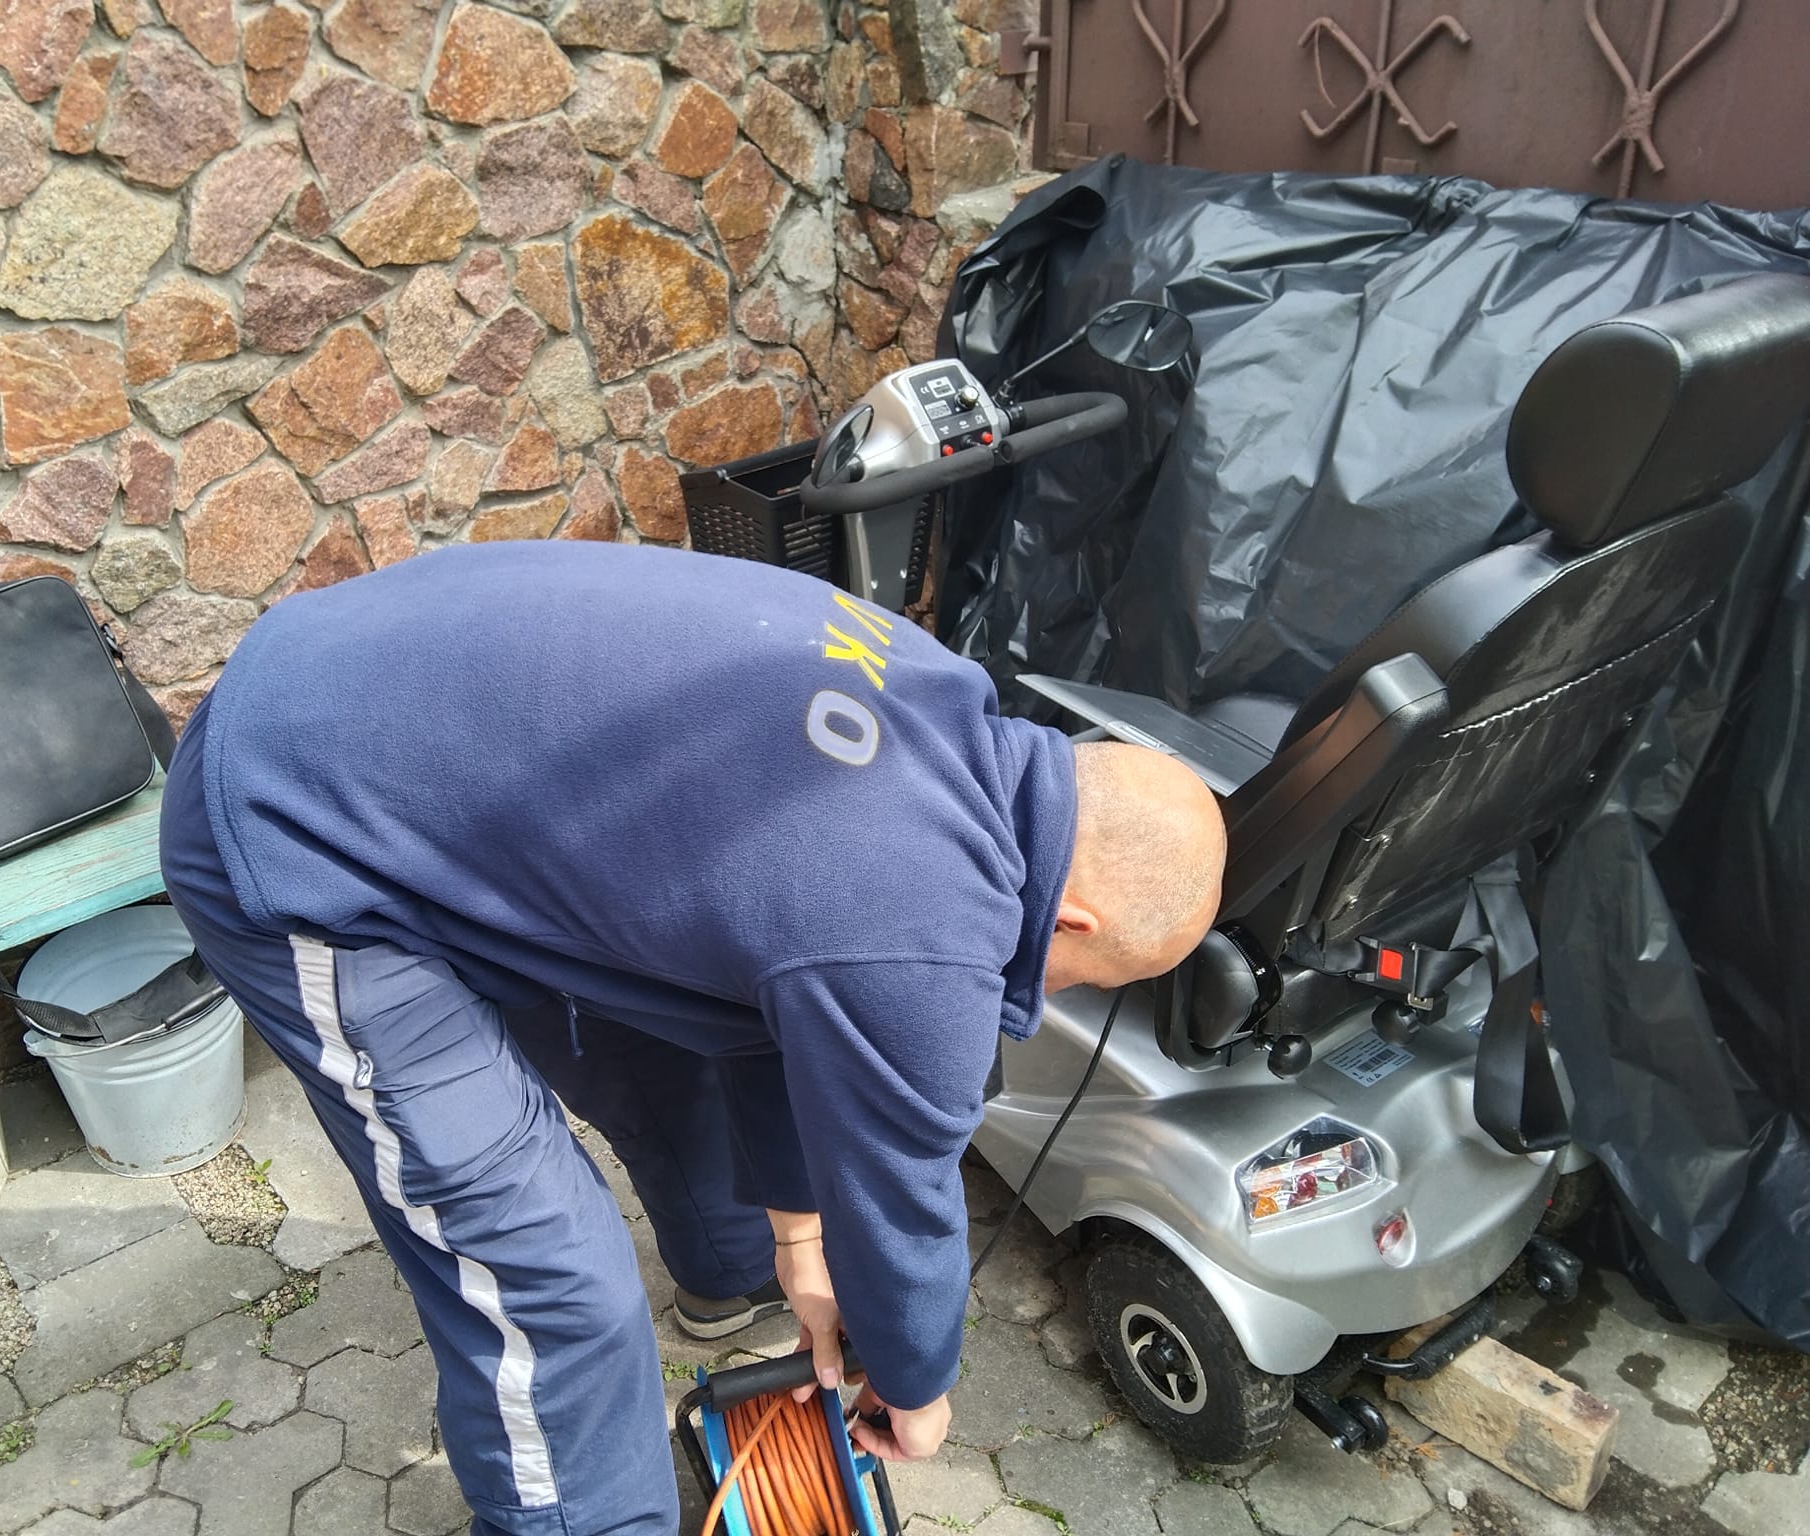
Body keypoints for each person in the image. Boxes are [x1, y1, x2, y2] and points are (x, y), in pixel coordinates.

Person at [158, 540, 1225, 1535]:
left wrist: (800, 1243)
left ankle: (727, 1272)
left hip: (385, 711)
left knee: (668, 1051)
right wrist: (915, 1384)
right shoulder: (922, 931)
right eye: (1089, 979)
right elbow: (904, 1199)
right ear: (1073, 920)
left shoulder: (940, 693)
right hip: (292, 822)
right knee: (554, 1288)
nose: (1053, 991)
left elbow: (779, 1010)